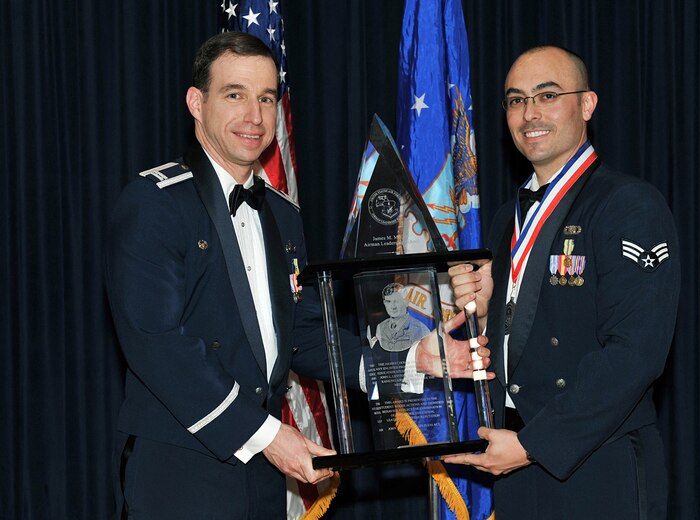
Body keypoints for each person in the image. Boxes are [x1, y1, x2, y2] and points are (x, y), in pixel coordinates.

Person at [105, 32, 489, 519]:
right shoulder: (155, 203)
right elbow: (157, 344)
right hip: (181, 470)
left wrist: (410, 360)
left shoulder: (282, 216)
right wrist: (267, 436)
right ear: (196, 103)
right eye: (235, 94)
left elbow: (304, 334)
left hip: (262, 476)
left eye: (267, 98)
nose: (255, 116)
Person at [444, 46, 680, 519]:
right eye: (515, 100)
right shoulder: (503, 220)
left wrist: (535, 445)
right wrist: (486, 315)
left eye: (547, 95)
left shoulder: (629, 205)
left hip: (595, 464)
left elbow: (635, 354)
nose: (529, 113)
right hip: (519, 461)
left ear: (587, 105)